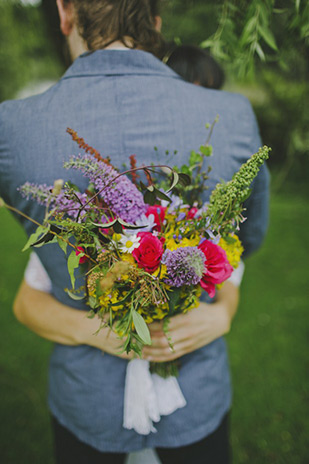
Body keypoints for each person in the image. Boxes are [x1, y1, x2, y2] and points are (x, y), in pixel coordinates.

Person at [0, 1, 270, 463]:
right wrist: (220, 305)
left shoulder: (10, 127)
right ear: (156, 21)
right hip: (196, 393)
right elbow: (250, 238)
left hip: (85, 401)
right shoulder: (234, 114)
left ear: (66, 12)